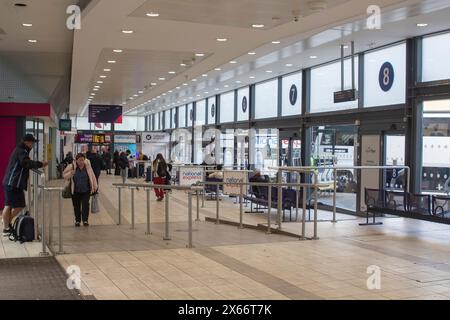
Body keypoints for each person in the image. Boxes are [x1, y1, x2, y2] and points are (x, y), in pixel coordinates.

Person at [2, 134, 48, 235]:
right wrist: (40, 164)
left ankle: (6, 225)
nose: (33, 145)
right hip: (13, 183)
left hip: (12, 183)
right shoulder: (21, 151)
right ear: (27, 142)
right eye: (32, 143)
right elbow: (26, 163)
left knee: (12, 205)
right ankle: (6, 225)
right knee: (15, 205)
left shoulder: (20, 150)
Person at [63, 153, 98, 227]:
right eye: (79, 160)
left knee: (85, 205)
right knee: (76, 206)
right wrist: (70, 173)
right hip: (75, 190)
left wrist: (95, 186)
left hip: (86, 190)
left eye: (82, 160)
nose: (81, 162)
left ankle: (85, 220)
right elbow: (64, 175)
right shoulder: (72, 166)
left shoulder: (88, 167)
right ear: (76, 160)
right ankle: (77, 220)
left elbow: (92, 176)